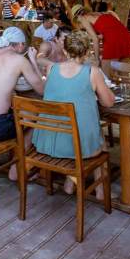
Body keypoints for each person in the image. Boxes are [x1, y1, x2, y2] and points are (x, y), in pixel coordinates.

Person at [32, 30, 114, 198]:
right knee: (101, 142)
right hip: (76, 147)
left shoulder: (51, 68)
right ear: (86, 52)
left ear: (65, 50)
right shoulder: (92, 72)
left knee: (77, 131)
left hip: (48, 141)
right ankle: (100, 191)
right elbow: (108, 102)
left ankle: (71, 183)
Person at [0, 26, 45, 180]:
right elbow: (42, 90)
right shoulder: (18, 60)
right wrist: (33, 60)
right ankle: (16, 169)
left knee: (9, 112)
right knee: (33, 117)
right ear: (20, 45)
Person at [71, 5, 130, 76]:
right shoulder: (104, 13)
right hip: (126, 37)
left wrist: (97, 59)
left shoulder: (83, 18)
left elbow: (95, 39)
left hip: (113, 40)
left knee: (105, 75)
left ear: (77, 17)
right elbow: (113, 29)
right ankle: (125, 86)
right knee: (124, 74)